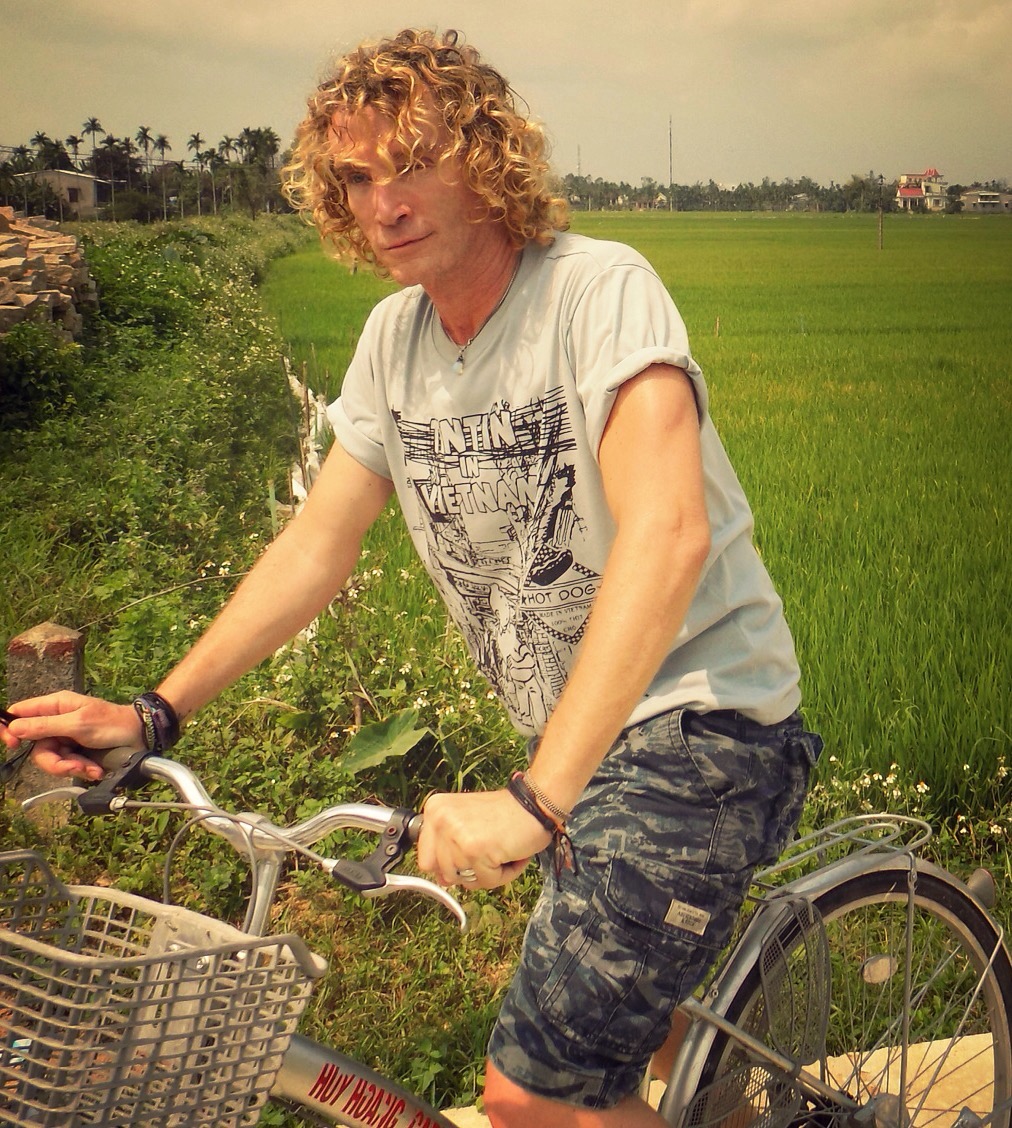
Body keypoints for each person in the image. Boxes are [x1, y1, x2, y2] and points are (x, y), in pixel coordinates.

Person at [2, 29, 821, 1128]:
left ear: (486, 162)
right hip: (580, 744)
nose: (382, 204)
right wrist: (156, 712)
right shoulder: (394, 341)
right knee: (628, 1027)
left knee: (530, 1099)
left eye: (413, 164)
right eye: (356, 177)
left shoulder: (596, 292)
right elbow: (316, 546)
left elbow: (668, 533)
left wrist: (535, 798)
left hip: (702, 729)